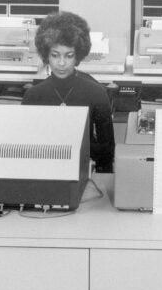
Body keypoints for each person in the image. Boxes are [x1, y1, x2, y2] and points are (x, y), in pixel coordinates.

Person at [21, 11, 115, 173]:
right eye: (55, 55)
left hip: (85, 169)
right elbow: (24, 149)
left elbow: (107, 152)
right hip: (44, 171)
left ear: (78, 55)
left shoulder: (97, 93)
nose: (62, 63)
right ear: (46, 56)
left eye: (69, 56)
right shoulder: (33, 95)